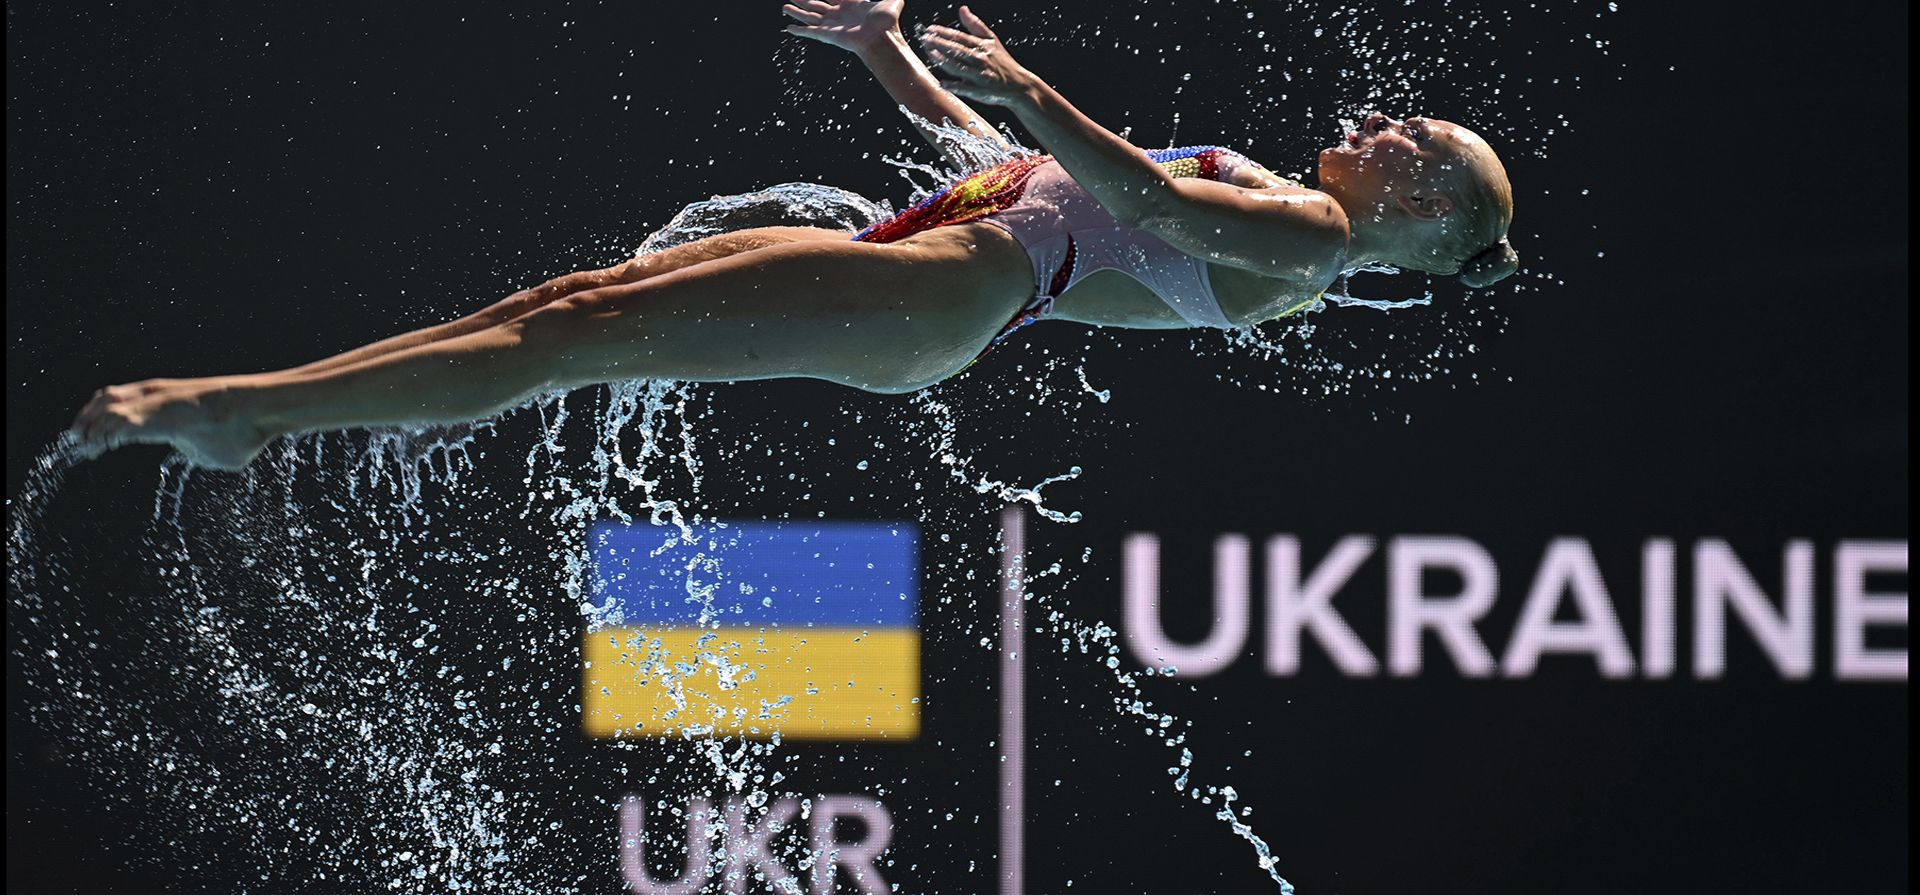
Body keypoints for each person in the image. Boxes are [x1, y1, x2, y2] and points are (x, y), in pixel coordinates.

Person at [70, 2, 1517, 471]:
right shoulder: (1293, 218)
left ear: (1426, 212)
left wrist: (1030, 84)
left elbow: (1135, 200)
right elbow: (1024, 177)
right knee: (571, 303)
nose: (1391, 122)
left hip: (938, 297)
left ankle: (243, 411)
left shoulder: (1314, 244)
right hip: (934, 263)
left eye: (1421, 141)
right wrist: (892, 52)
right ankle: (251, 411)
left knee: (576, 332)